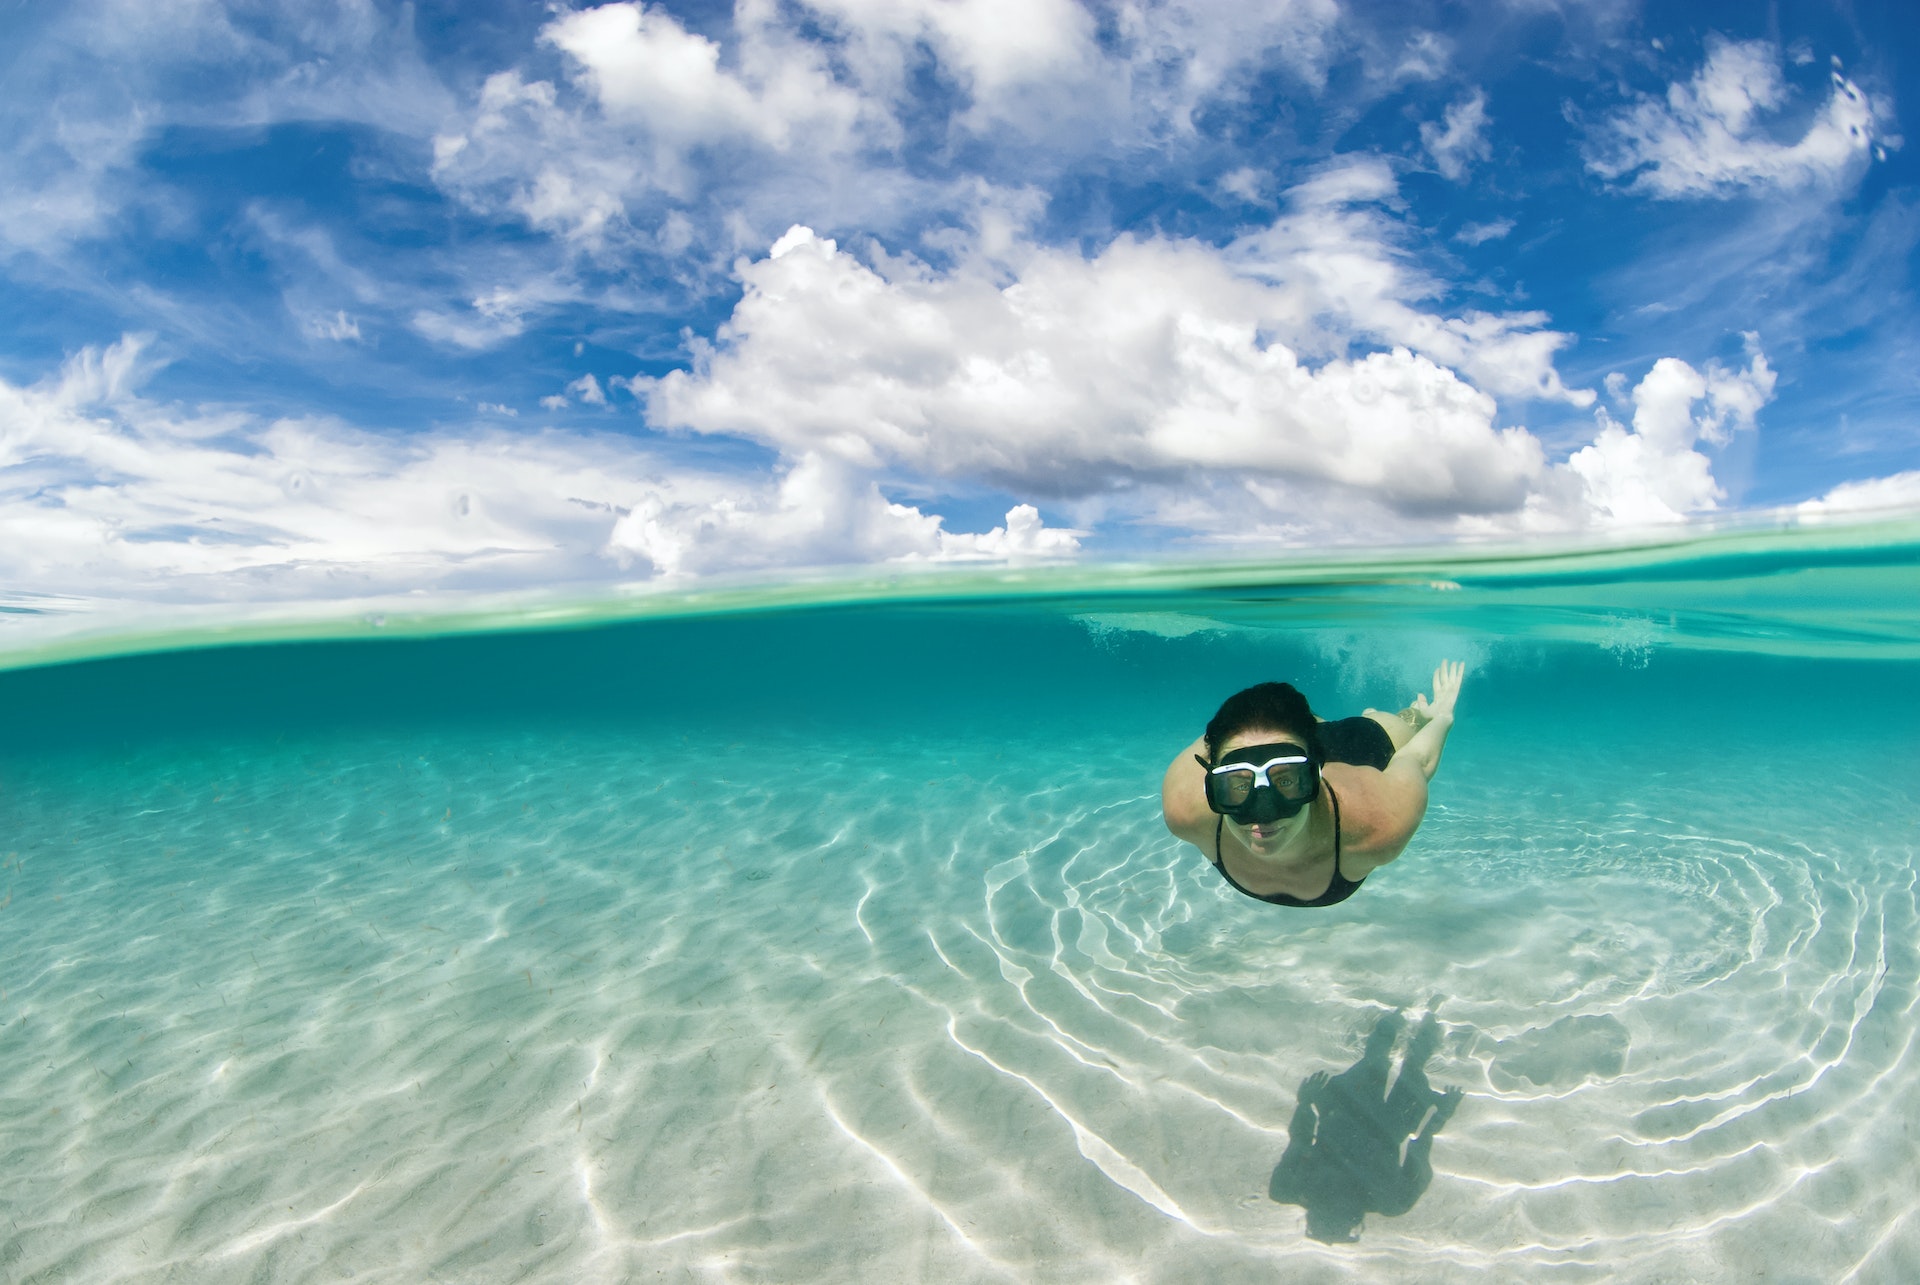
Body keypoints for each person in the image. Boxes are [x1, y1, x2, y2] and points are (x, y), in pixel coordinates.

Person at [1160, 662, 1464, 907]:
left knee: (1397, 726)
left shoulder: (1376, 822)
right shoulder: (1185, 807)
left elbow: (1417, 760)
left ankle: (1392, 717)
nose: (1263, 815)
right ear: (1211, 779)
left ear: (1319, 772)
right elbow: (1215, 742)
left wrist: (1439, 719)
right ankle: (1299, 735)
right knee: (1254, 738)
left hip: (1353, 746)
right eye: (1239, 784)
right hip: (1294, 748)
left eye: (1287, 782)